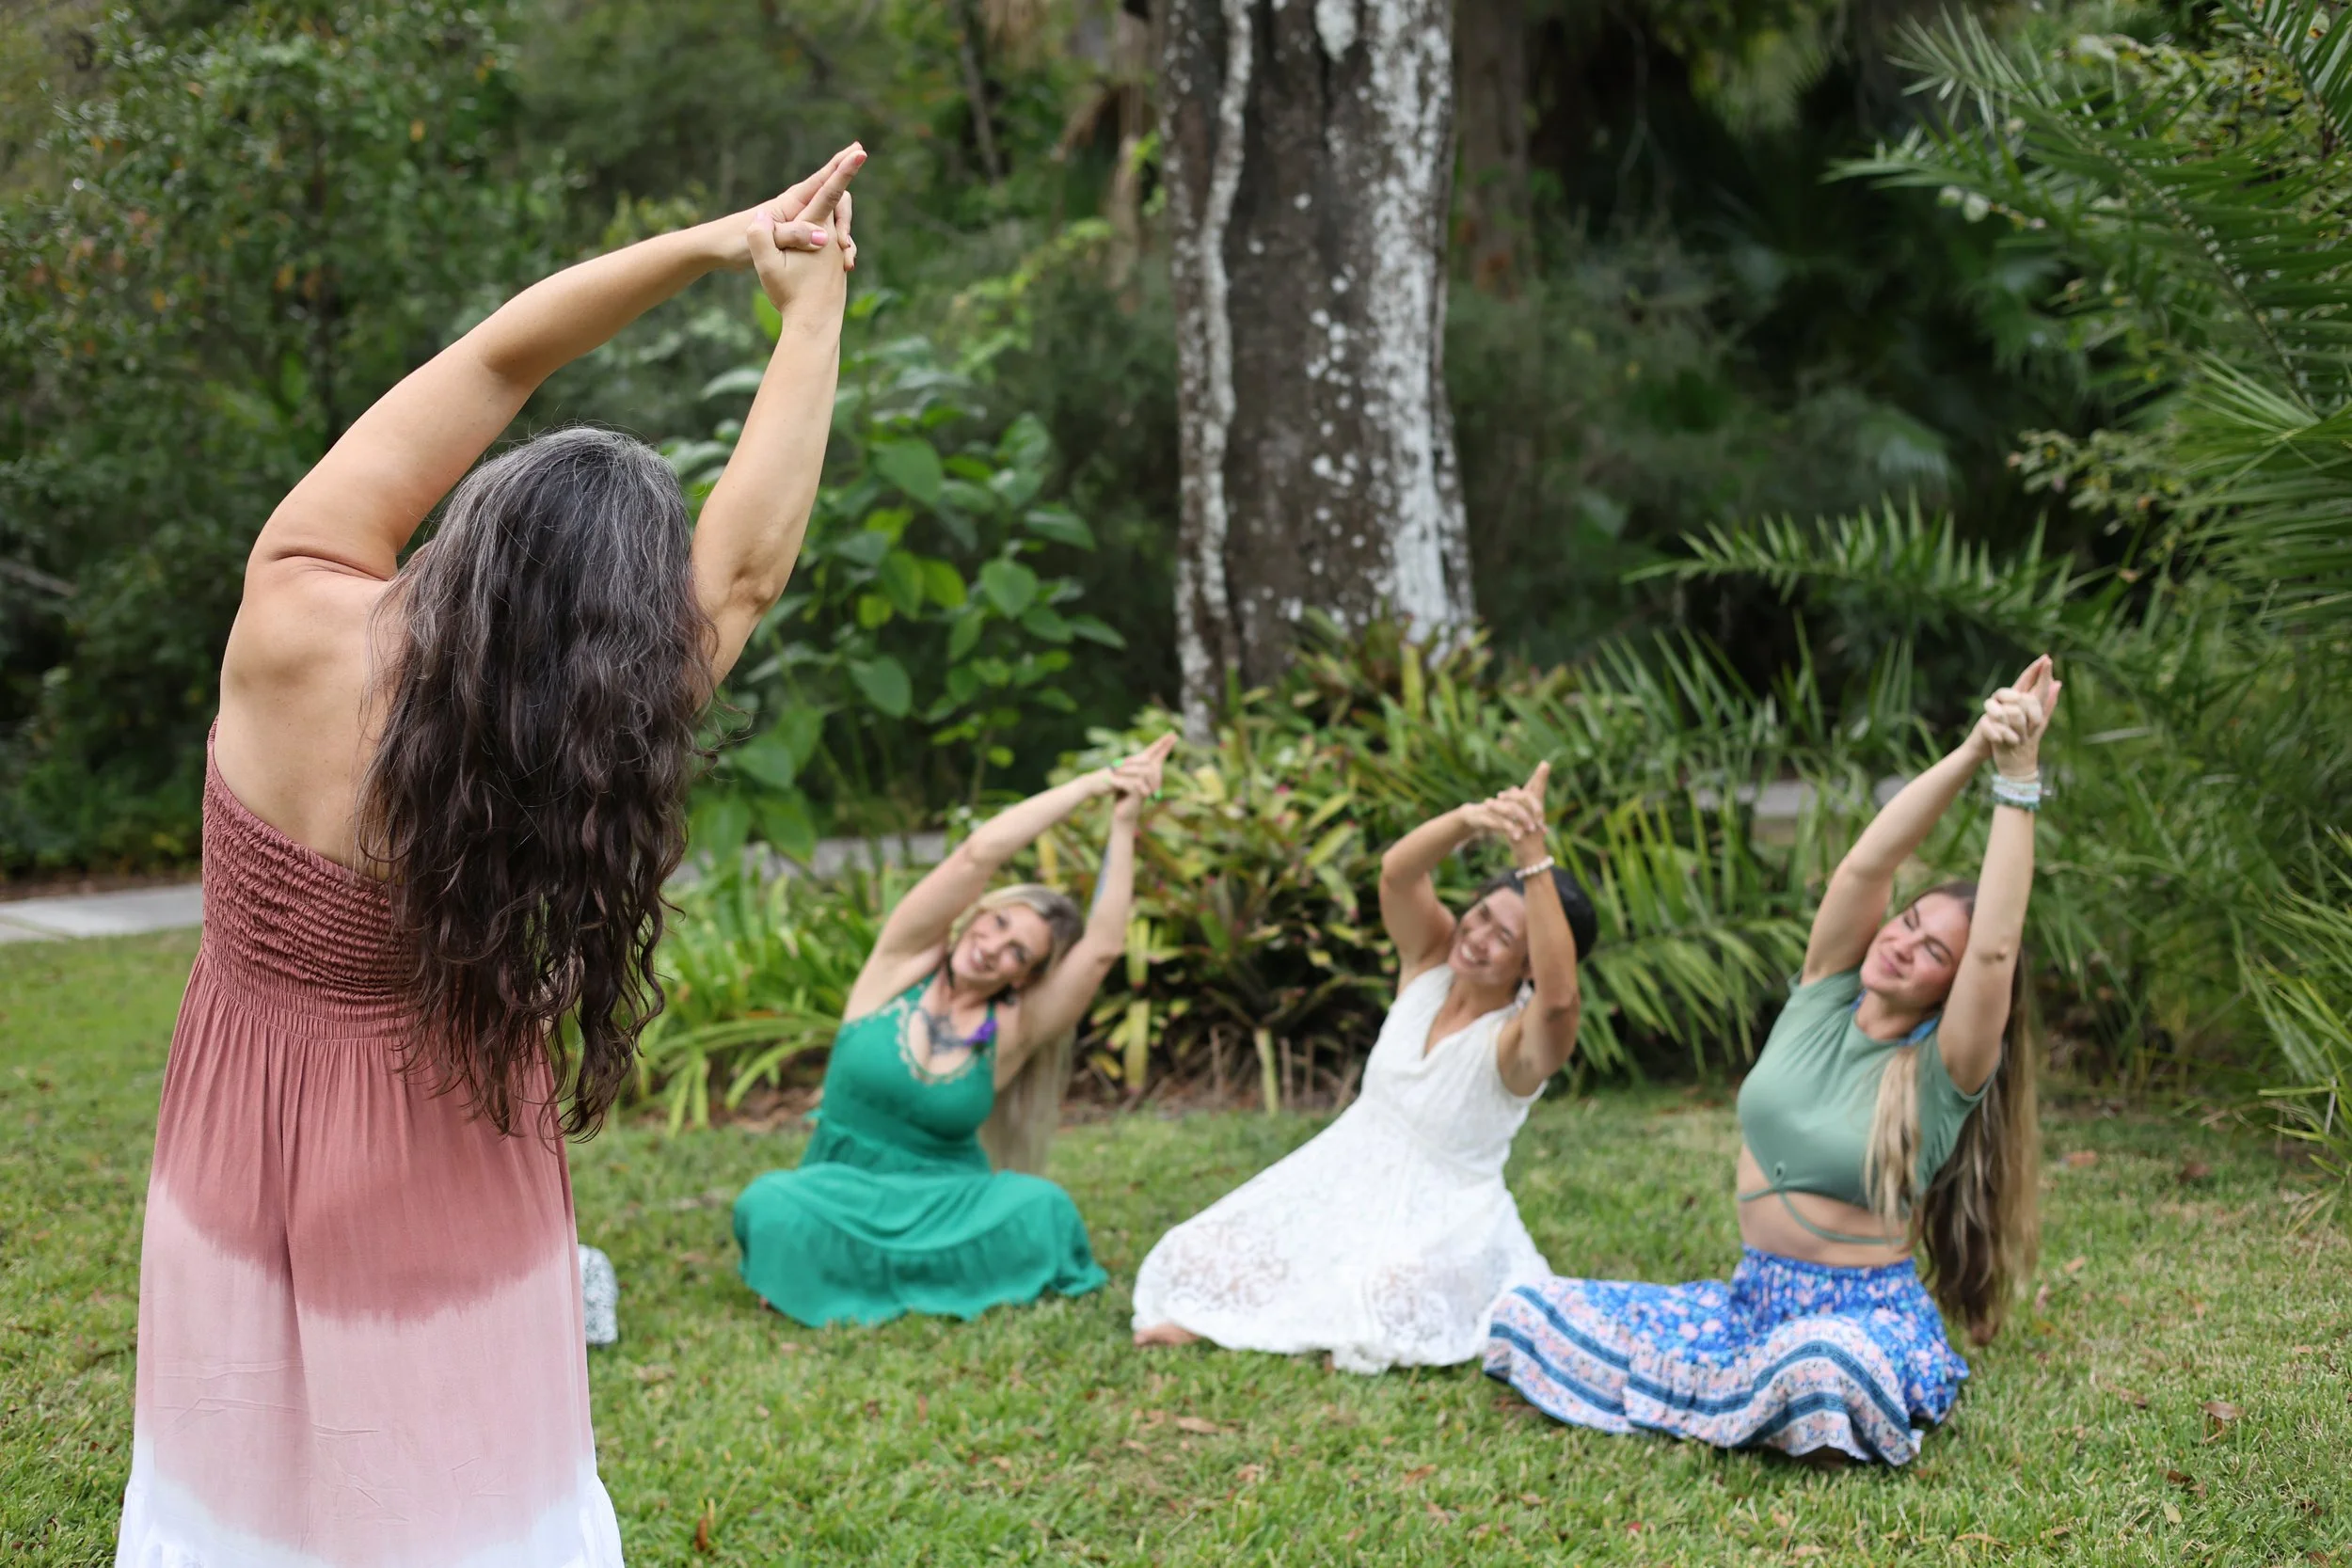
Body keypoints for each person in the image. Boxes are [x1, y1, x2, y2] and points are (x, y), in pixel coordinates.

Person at [117, 146, 867, 1566]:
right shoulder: (581, 737)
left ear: (473, 530)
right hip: (439, 1115)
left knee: (241, 1451)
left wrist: (718, 241)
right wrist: (813, 311)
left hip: (236, 1104)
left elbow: (502, 354)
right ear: (621, 631)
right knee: (452, 1468)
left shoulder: (290, 605)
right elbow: (751, 568)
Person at [1486, 657, 2061, 1466]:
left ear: (1950, 989)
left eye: (1935, 950)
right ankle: (1752, 1397)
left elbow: (1996, 948)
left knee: (1821, 1368)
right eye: (1909, 922)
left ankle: (1765, 1398)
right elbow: (1866, 865)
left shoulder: (1944, 1068)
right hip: (1752, 1301)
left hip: (1857, 1318)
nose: (1903, 942)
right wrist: (1971, 749)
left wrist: (2016, 778)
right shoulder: (1824, 989)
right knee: (1527, 1312)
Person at [1131, 762, 1597, 1373]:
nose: (1477, 936)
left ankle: (1343, 1311)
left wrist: (1533, 854)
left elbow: (1561, 1000)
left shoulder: (1518, 1044)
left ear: (1531, 964)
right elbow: (1397, 873)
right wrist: (1470, 819)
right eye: (1480, 914)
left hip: (1447, 1214)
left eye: (1504, 938)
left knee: (1381, 1291)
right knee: (1193, 1254)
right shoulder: (1430, 957)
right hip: (1343, 1172)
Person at [732, 736, 1177, 1325]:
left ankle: (839, 1274)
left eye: (1017, 952)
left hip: (947, 1204)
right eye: (996, 924)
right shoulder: (897, 966)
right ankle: (888, 1270)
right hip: (840, 1195)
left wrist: (1124, 823)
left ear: (1025, 977)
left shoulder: (1013, 1029)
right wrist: (1095, 785)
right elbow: (977, 855)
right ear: (975, 915)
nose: (993, 948)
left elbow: (1100, 950)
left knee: (1042, 1206)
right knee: (768, 1202)